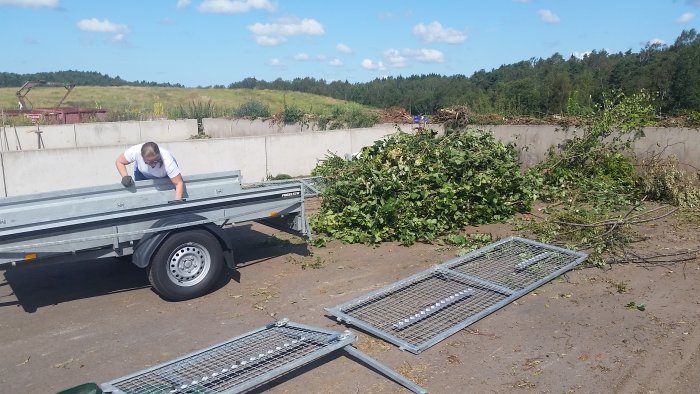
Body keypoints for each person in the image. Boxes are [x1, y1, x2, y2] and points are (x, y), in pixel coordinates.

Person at [115, 142, 185, 201]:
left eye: (155, 160)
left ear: (159, 155)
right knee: (141, 198)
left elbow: (178, 183)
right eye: (148, 162)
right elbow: (119, 161)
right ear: (141, 156)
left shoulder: (167, 160)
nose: (152, 164)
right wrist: (125, 176)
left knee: (164, 197)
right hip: (142, 173)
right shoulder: (135, 151)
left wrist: (177, 202)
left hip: (164, 175)